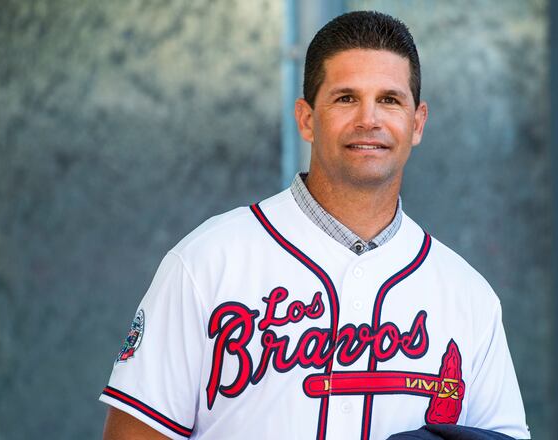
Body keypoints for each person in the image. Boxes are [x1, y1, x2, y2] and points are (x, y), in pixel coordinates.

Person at [100, 11, 529, 440]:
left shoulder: (468, 297)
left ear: (417, 123)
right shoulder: (207, 262)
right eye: (346, 98)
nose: (369, 120)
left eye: (390, 100)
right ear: (306, 118)